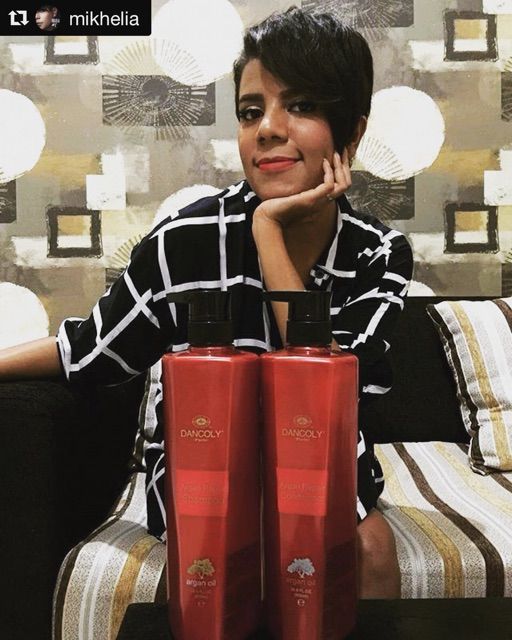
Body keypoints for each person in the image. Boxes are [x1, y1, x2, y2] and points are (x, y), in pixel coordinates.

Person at [0, 7, 413, 598]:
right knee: (225, 548)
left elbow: (327, 393)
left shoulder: (379, 254)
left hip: (319, 459)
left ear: (351, 133)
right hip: (206, 466)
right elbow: (89, 351)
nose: (267, 128)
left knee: (370, 550)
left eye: (300, 106)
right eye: (250, 111)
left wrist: (268, 232)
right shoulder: (186, 239)